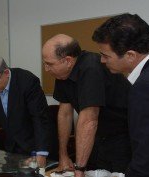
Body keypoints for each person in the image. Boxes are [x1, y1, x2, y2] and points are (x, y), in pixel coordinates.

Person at [42, 34, 131, 177]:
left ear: (68, 60)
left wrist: (79, 168)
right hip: (97, 136)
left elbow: (89, 120)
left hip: (123, 136)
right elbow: (64, 114)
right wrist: (63, 155)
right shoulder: (62, 73)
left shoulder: (91, 68)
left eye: (49, 64)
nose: (46, 69)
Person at [92, 13, 149, 177]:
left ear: (130, 55)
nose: (102, 61)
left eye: (106, 55)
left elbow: (148, 157)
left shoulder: (146, 87)